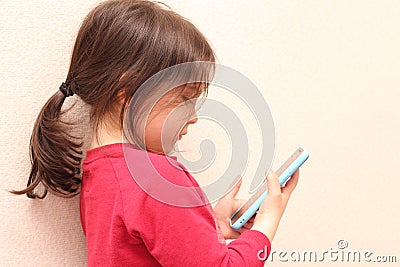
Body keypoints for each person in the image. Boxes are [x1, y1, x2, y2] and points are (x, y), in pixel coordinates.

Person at [13, 0, 300, 266]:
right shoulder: (156, 179)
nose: (194, 117)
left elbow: (141, 242)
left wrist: (212, 223)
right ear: (128, 92)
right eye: (185, 98)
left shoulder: (100, 169)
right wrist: (267, 224)